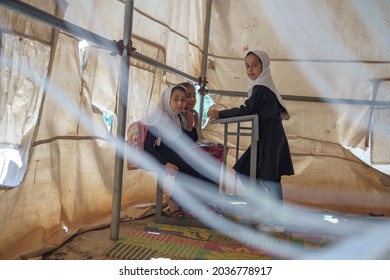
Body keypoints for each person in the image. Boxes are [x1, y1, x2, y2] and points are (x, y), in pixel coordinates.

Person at [207, 50, 294, 229]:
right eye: (247, 65)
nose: (250, 69)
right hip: (267, 137)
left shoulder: (261, 87)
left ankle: (276, 219)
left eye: (255, 65)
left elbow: (248, 109)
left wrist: (220, 113)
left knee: (267, 178)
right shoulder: (263, 85)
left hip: (269, 138)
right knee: (252, 173)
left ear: (264, 66)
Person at [142, 85, 217, 217]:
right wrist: (165, 164)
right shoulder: (159, 118)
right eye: (176, 99)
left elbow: (186, 142)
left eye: (183, 100)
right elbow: (148, 147)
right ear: (167, 100)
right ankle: (186, 202)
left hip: (176, 155)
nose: (180, 103)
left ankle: (197, 204)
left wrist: (193, 125)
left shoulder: (177, 118)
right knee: (199, 169)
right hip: (163, 156)